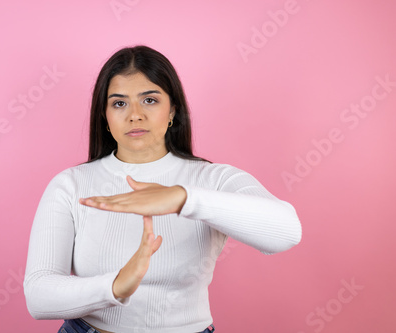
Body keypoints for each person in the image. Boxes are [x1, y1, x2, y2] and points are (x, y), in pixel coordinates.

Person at [23, 45, 302, 333]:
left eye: (150, 100)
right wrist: (116, 286)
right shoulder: (71, 185)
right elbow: (38, 294)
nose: (134, 115)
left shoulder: (212, 179)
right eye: (119, 103)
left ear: (172, 111)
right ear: (104, 116)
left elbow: (286, 233)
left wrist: (183, 198)